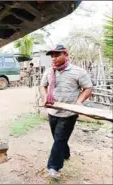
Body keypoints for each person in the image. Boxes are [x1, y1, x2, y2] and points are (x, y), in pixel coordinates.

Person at [40, 44, 93, 179]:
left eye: (57, 55)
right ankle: (66, 154)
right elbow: (42, 85)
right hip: (53, 111)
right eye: (52, 56)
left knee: (59, 139)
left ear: (66, 55)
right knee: (59, 138)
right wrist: (45, 97)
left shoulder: (78, 72)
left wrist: (78, 103)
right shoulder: (49, 71)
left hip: (69, 113)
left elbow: (88, 88)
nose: (53, 58)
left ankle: (54, 167)